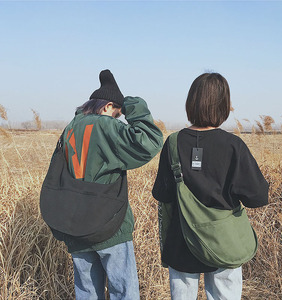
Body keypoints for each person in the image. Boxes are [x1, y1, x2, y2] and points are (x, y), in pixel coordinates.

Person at [152, 72, 269, 300]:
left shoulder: (173, 143)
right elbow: (258, 197)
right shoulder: (233, 145)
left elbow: (162, 194)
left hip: (181, 241)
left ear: (191, 103)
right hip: (223, 242)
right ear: (224, 105)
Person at [55, 69, 163, 300]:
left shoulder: (69, 129)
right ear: (106, 107)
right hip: (109, 226)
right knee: (124, 292)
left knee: (87, 293)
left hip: (76, 226)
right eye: (116, 113)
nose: (117, 118)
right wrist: (131, 105)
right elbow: (149, 142)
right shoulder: (104, 125)